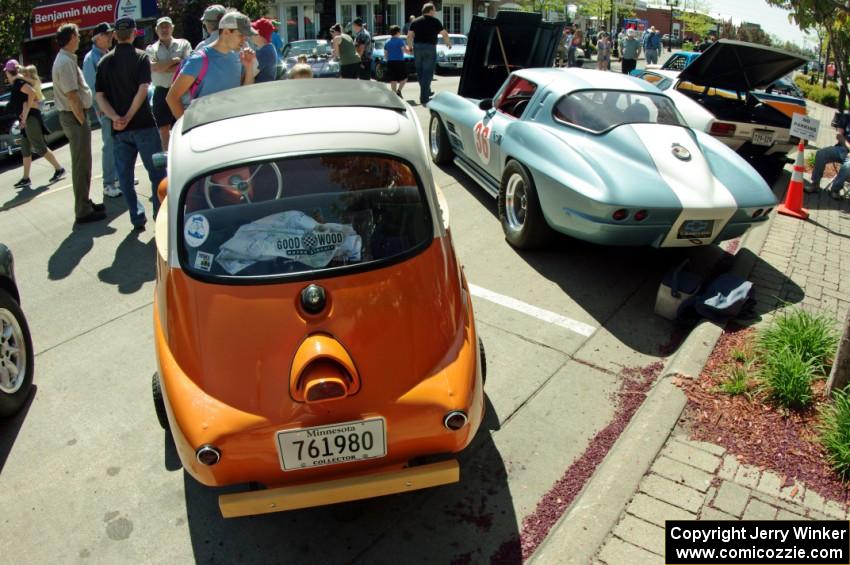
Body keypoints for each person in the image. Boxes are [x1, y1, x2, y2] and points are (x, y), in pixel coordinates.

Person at [95, 16, 165, 230]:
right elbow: (143, 89)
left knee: (125, 177)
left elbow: (99, 96)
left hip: (119, 130)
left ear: (115, 35)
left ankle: (136, 217)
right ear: (134, 33)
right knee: (157, 174)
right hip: (143, 124)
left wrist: (116, 117)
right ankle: (159, 215)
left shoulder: (104, 62)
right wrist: (129, 115)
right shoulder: (141, 57)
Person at [52, 24, 105, 224]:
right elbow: (72, 96)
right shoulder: (64, 61)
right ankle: (82, 210)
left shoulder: (66, 59)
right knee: (81, 164)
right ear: (72, 37)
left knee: (84, 163)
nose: (79, 38)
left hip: (75, 115)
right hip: (74, 116)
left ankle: (85, 202)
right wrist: (82, 120)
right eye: (77, 35)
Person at [167, 11, 257, 120]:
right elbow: (172, 98)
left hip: (234, 126)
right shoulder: (198, 59)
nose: (244, 40)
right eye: (241, 35)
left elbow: (245, 93)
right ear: (226, 32)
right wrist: (187, 128)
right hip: (205, 130)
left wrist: (248, 67)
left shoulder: (238, 56)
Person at [4, 60, 65, 188]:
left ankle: (59, 169)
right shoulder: (18, 83)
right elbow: (25, 102)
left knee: (39, 147)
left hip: (31, 119)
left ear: (10, 72)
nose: (6, 76)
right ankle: (26, 178)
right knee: (25, 149)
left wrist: (25, 116)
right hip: (26, 119)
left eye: (7, 73)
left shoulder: (19, 83)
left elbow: (31, 94)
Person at [82, 22, 121, 199]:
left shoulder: (108, 54)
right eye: (107, 35)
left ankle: (118, 177)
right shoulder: (91, 59)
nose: (111, 37)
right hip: (106, 110)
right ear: (97, 38)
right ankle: (108, 183)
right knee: (110, 146)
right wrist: (101, 110)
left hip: (116, 108)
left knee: (119, 144)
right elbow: (93, 88)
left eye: (111, 34)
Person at [146, 17, 191, 150]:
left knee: (185, 124)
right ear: (156, 30)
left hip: (181, 90)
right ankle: (167, 160)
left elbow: (187, 65)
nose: (164, 29)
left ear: (172, 28)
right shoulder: (151, 48)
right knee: (163, 129)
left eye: (167, 26)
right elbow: (153, 68)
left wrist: (162, 66)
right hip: (161, 91)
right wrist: (174, 61)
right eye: (161, 27)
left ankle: (186, 151)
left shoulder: (183, 44)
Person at [407, 3, 451, 106]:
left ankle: (426, 91)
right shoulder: (435, 21)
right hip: (430, 48)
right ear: (430, 11)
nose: (435, 12)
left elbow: (409, 36)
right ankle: (424, 98)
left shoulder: (415, 21)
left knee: (420, 72)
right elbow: (444, 33)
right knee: (428, 72)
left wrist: (410, 47)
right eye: (434, 10)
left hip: (417, 47)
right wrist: (448, 43)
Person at [808, 118, 850, 200]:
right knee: (821, 154)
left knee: (848, 165)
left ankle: (835, 190)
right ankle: (815, 184)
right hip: (841, 148)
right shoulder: (847, 117)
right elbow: (839, 136)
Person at [250, 18, 280, 82]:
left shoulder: (265, 52)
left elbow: (250, 74)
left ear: (259, 34)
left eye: (253, 32)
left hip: (261, 89)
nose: (250, 34)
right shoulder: (268, 47)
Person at [384, 25, 408, 96]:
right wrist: (410, 50)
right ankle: (399, 90)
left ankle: (394, 94)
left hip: (390, 62)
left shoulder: (387, 41)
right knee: (404, 78)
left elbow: (385, 54)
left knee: (393, 79)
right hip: (399, 61)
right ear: (397, 32)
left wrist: (387, 60)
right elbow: (405, 51)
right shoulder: (400, 41)